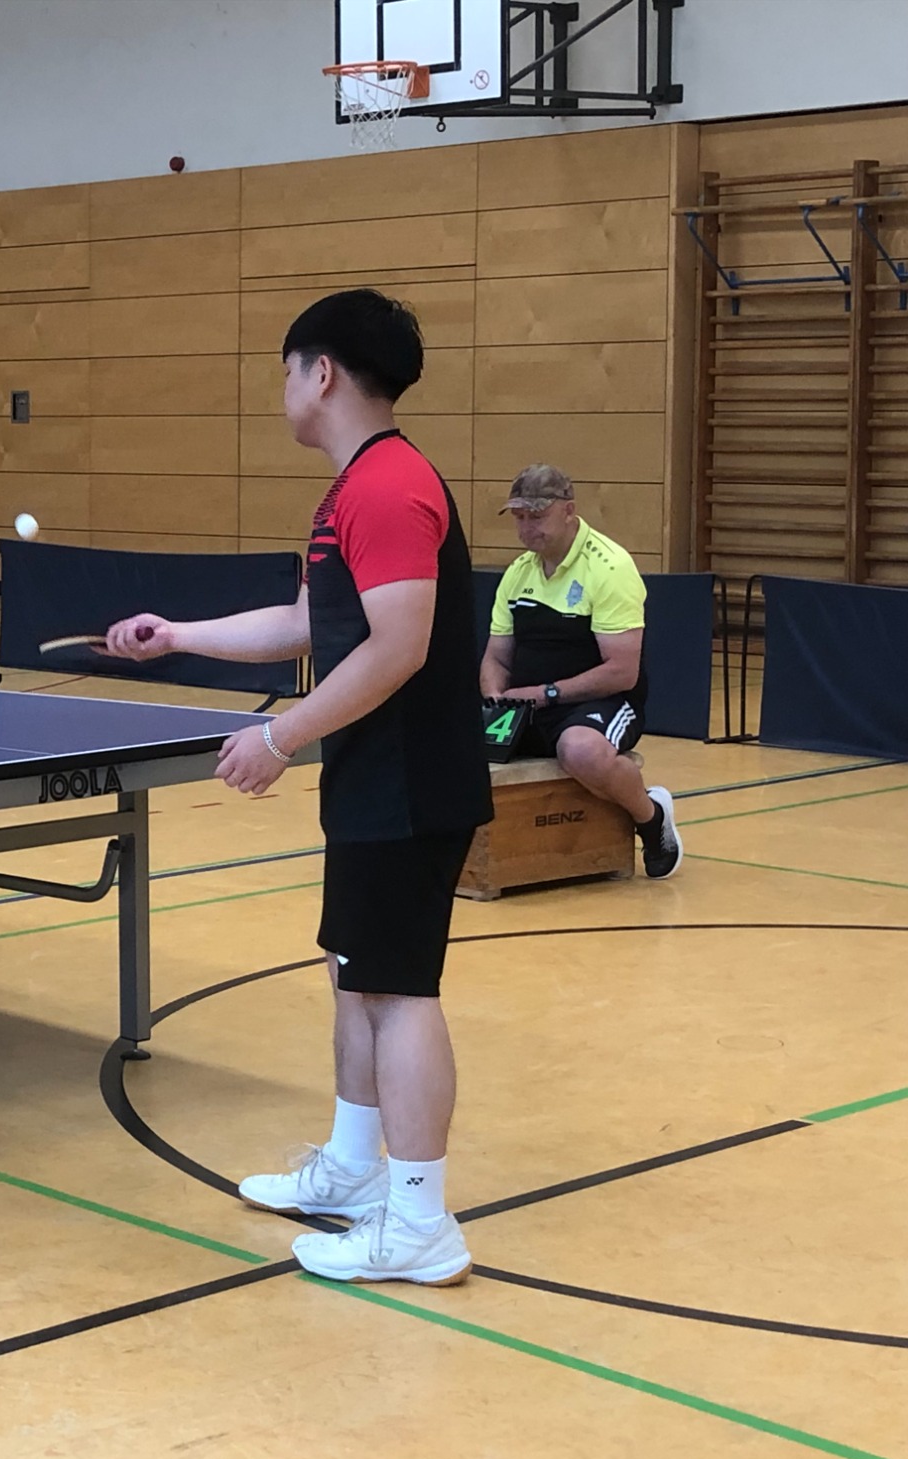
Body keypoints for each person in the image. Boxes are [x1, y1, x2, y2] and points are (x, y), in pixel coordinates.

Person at [103, 289, 489, 1286]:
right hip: (374, 776)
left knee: (397, 990)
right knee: (356, 974)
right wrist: (177, 636)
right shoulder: (347, 493)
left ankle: (419, 1223)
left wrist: (279, 735)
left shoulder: (388, 487)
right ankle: (355, 1170)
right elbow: (307, 624)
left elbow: (399, 648)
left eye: (285, 371)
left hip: (408, 779)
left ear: (321, 374)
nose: (280, 391)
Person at [481, 465, 682, 879]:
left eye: (537, 516)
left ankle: (651, 817)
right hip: (529, 704)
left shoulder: (610, 567)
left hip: (600, 702)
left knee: (580, 751)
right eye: (519, 517)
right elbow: (497, 659)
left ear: (569, 511)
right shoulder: (518, 573)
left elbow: (622, 672)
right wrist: (495, 702)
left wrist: (546, 694)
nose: (526, 528)